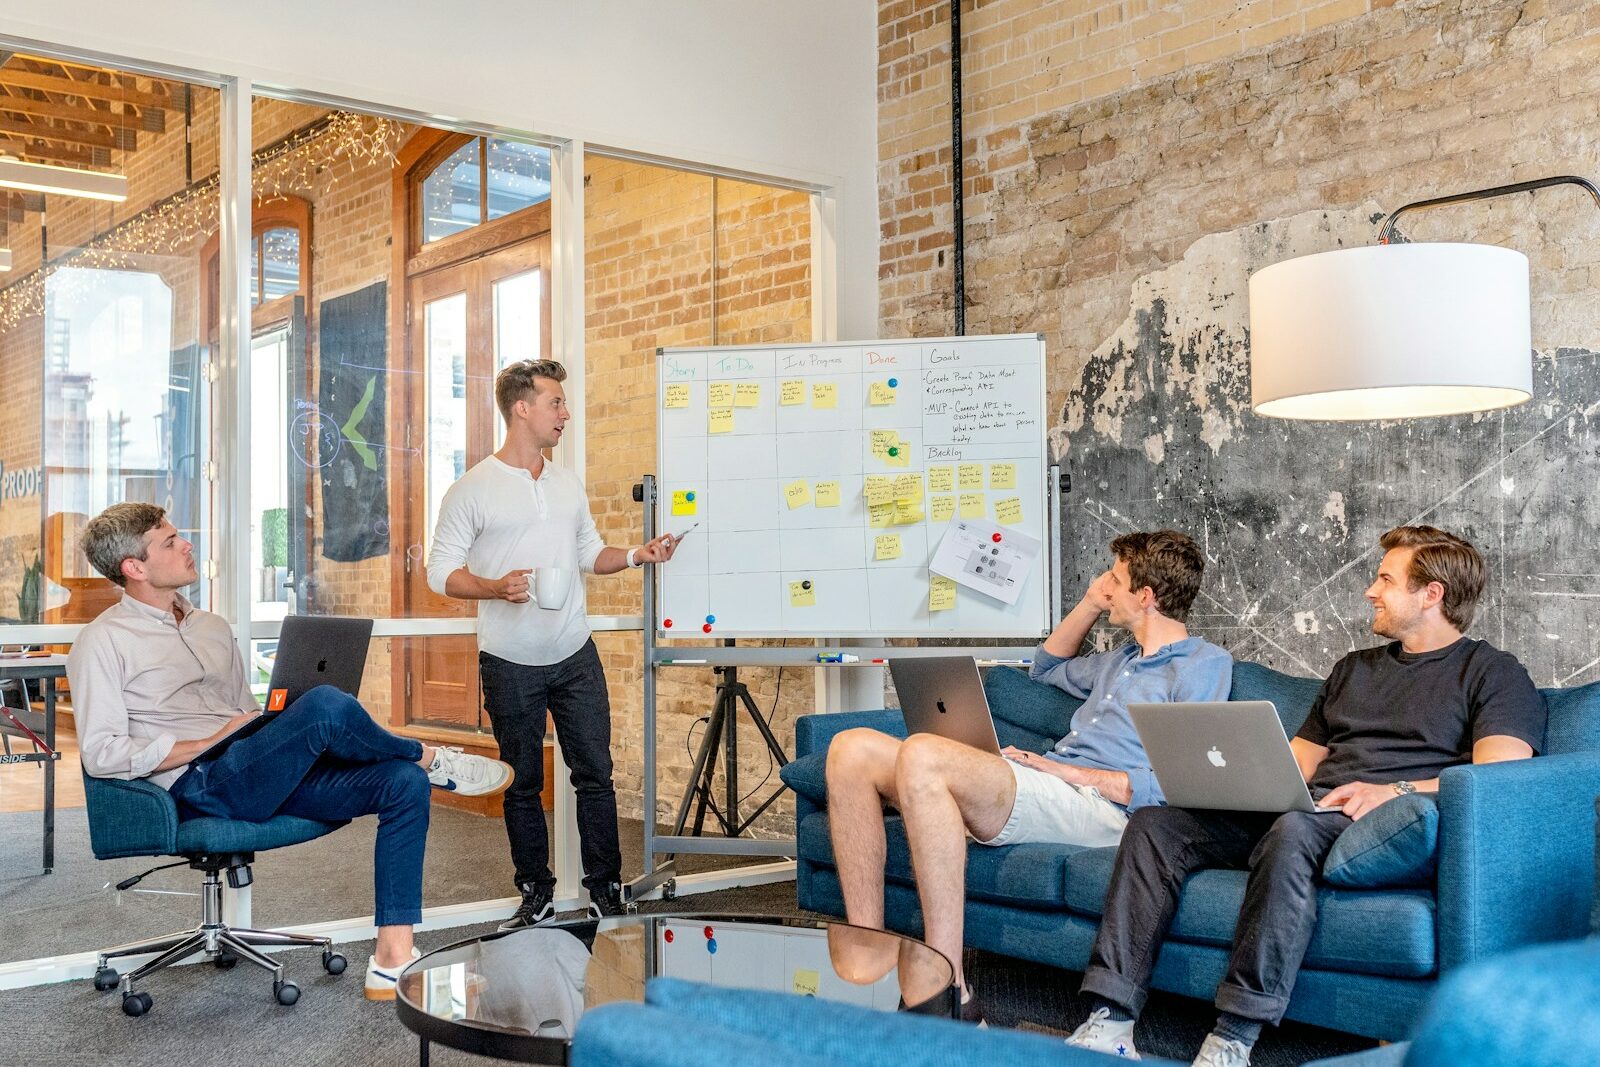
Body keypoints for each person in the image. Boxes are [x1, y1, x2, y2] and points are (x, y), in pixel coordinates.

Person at [1067, 525, 1546, 1067]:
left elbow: (1500, 773)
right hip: (1308, 807)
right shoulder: (1353, 669)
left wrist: (1392, 790)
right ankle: (1110, 1019)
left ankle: (1233, 1038)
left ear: (1431, 593)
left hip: (1382, 820)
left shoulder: (1492, 672)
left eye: (1385, 579)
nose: (1370, 589)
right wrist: (1234, 784)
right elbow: (1296, 762)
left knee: (1293, 829)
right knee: (1157, 823)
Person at [68, 502, 513, 1001]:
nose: (187, 545)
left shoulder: (211, 627)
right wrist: (208, 741)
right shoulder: (101, 641)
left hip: (251, 766)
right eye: (170, 542)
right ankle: (427, 757)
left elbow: (243, 713)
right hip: (199, 783)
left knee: (399, 783)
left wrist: (269, 724)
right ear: (134, 567)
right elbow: (102, 754)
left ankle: (392, 958)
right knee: (325, 706)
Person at [825, 530, 1232, 1022]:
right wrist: (1088, 603)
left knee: (925, 755)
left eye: (1115, 579)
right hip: (1049, 787)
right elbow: (1045, 667)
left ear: (1145, 597)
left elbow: (1175, 783)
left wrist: (1065, 770)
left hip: (1104, 811)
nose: (1104, 584)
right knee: (851, 749)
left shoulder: (1202, 665)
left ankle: (950, 985)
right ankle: (869, 939)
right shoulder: (1120, 662)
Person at [427, 358, 679, 928]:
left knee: (595, 773)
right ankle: (535, 891)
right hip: (510, 661)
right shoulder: (473, 488)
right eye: (556, 403)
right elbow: (439, 573)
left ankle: (605, 887)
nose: (565, 413)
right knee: (522, 779)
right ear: (523, 408)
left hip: (575, 654)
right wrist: (495, 586)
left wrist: (639, 554)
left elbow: (591, 553)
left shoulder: (566, 484)